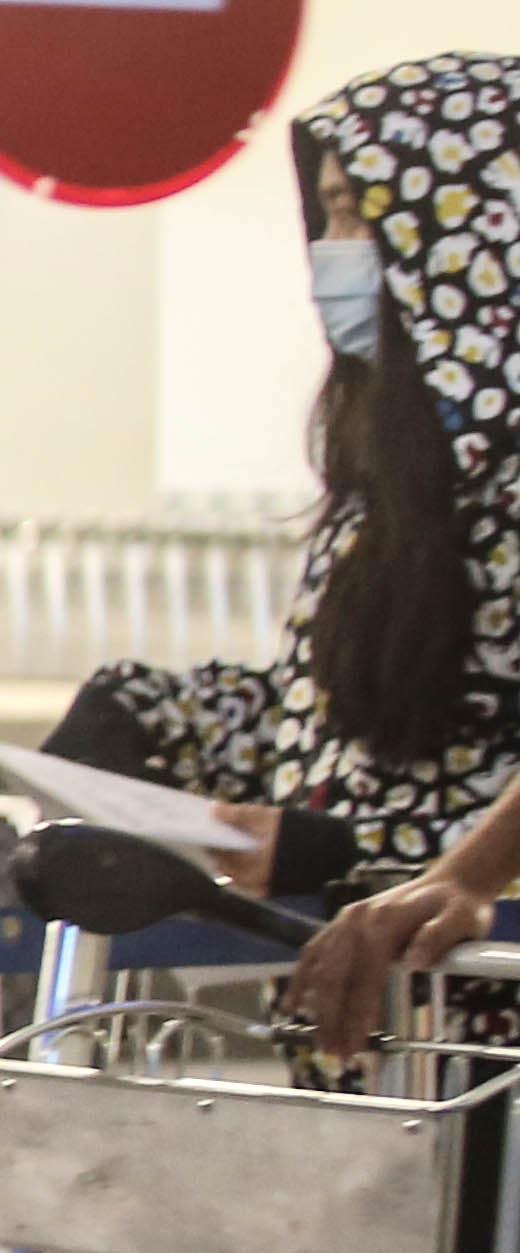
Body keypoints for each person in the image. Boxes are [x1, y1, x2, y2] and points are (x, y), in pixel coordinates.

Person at [61, 58, 520, 912]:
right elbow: (339, 714)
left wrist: (352, 853)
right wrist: (153, 715)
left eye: (356, 212)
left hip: (477, 1023)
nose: (329, 248)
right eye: (327, 213)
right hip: (378, 1019)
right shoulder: (397, 480)